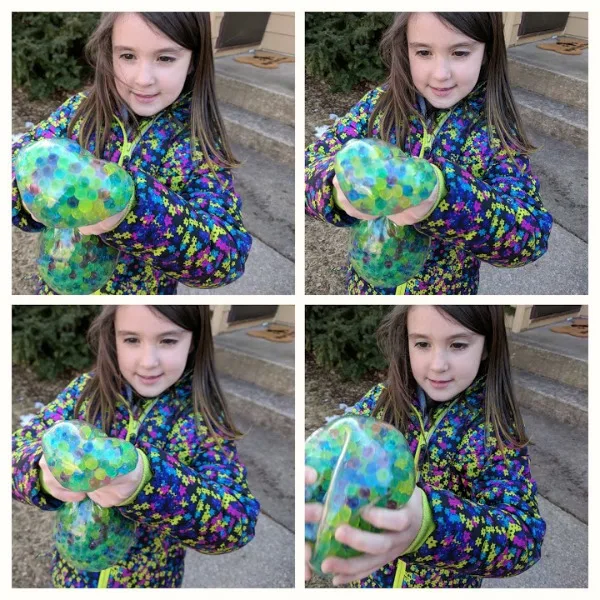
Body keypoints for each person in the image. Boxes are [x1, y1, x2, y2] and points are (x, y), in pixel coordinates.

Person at [12, 305, 260, 587]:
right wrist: (38, 472)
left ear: (194, 341)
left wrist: (148, 482)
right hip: (71, 580)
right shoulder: (86, 392)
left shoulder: (200, 421)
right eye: (131, 340)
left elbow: (236, 523)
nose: (148, 362)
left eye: (168, 340)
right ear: (112, 337)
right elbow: (14, 451)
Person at [305, 13, 553, 294]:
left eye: (460, 52)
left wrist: (444, 198)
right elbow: (306, 170)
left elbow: (529, 237)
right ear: (405, 49)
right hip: (366, 288)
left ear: (487, 53)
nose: (440, 74)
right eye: (423, 52)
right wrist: (333, 189)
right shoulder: (379, 106)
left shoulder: (494, 136)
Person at [305, 305, 546, 587]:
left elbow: (524, 538)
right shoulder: (382, 400)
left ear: (486, 346)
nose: (437, 364)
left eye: (457, 345)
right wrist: (314, 483)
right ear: (406, 342)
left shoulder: (493, 432)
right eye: (422, 343)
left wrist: (429, 523)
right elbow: (339, 453)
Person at [12, 13, 251, 294]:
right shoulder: (79, 112)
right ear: (108, 53)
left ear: (193, 61)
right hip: (57, 287)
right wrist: (29, 197)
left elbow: (227, 258)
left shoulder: (197, 147)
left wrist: (133, 209)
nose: (143, 79)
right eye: (127, 56)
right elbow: (20, 158)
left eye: (165, 58)